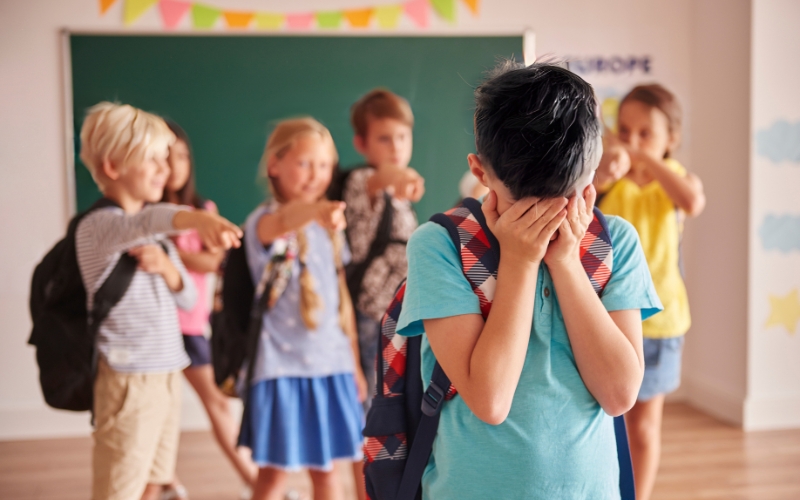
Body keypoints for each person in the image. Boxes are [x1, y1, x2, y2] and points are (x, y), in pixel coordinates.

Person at [395, 61, 663, 499]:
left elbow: (619, 395)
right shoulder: (439, 246)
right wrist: (519, 262)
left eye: (563, 199)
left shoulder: (616, 243)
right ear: (481, 173)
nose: (547, 219)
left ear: (592, 175)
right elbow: (491, 400)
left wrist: (566, 264)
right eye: (527, 204)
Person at [76, 102, 242, 500]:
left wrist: (169, 270)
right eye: (153, 160)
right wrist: (195, 219)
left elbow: (186, 296)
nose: (165, 170)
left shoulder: (155, 238)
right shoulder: (100, 226)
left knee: (153, 478)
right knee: (120, 487)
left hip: (166, 375)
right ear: (113, 166)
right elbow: (143, 222)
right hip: (129, 380)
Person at [238, 117, 367, 500]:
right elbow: (283, 220)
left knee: (327, 476)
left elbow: (341, 301)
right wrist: (316, 213)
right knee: (273, 477)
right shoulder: (264, 221)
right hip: (281, 369)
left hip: (332, 367)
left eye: (324, 165)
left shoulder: (327, 227)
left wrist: (355, 364)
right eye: (305, 163)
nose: (316, 174)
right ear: (274, 165)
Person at [595, 84, 706, 500]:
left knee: (643, 426)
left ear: (671, 139)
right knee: (609, 422)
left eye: (647, 133)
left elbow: (692, 202)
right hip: (606, 320)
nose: (634, 141)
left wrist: (646, 160)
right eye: (626, 131)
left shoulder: (676, 180)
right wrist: (610, 169)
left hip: (660, 322)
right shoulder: (611, 180)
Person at [160, 120, 258, 499]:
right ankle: (168, 481)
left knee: (215, 402)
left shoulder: (203, 210)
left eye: (182, 155)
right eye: (166, 157)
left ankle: (252, 480)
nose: (175, 164)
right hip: (159, 326)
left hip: (192, 323)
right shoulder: (145, 213)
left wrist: (167, 253)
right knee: (166, 407)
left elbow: (213, 261)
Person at [341, 89, 424, 413]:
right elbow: (380, 178)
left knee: (395, 405)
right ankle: (369, 465)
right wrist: (402, 175)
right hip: (373, 314)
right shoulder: (363, 180)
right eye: (384, 139)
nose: (396, 147)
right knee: (376, 409)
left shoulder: (398, 196)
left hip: (399, 313)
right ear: (362, 144)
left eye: (403, 137)